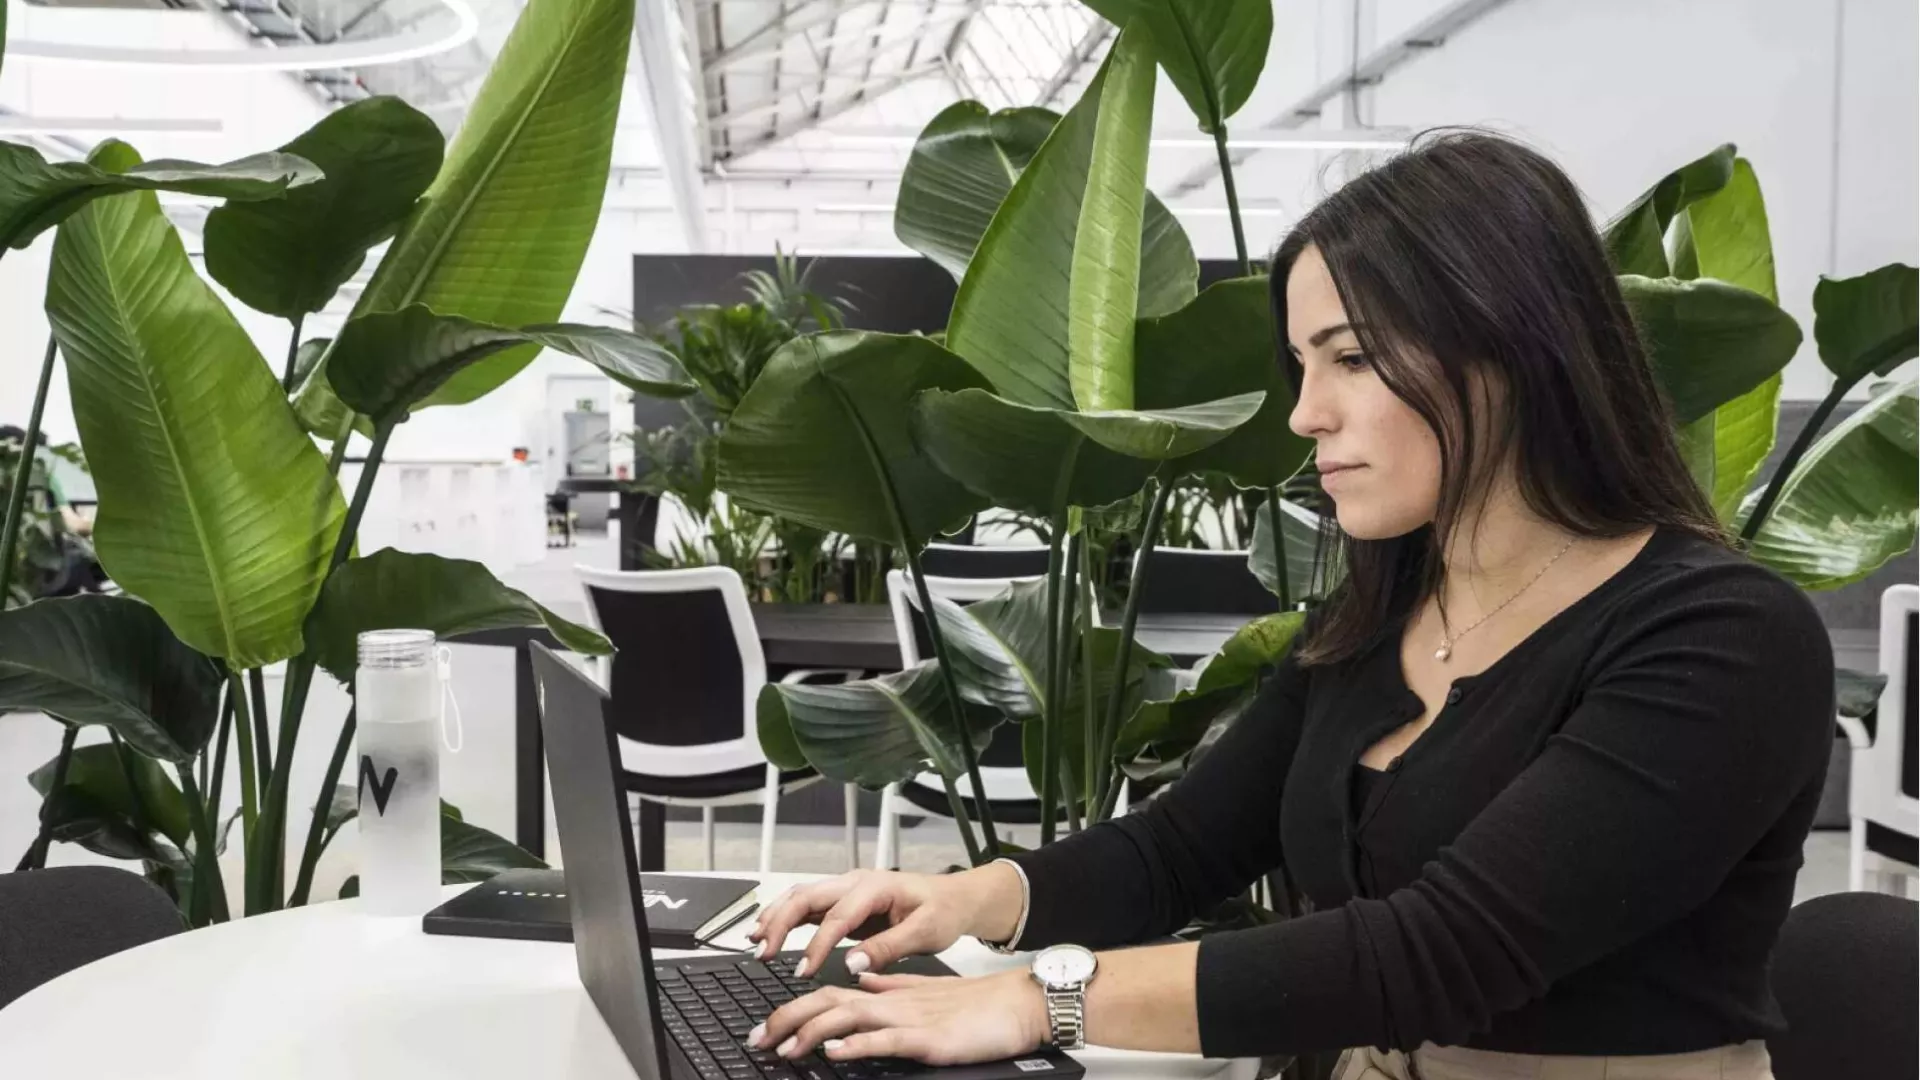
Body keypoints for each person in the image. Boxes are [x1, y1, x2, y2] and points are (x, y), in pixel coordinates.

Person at [743, 132, 1834, 1079]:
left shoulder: (1721, 638)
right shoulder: (1376, 619)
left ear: (1513, 351)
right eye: (1302, 364)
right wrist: (958, 902)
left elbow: (1434, 955)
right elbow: (1176, 851)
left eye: (1350, 359)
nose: (1306, 413)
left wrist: (1035, 1000)